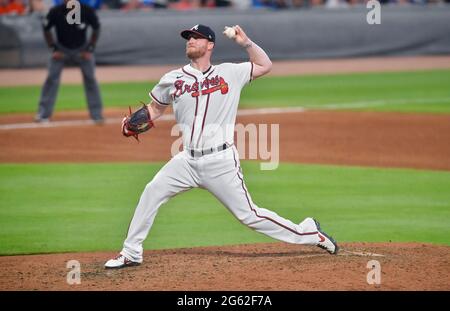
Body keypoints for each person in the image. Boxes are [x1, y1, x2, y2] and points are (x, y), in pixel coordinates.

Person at [105, 24, 338, 269]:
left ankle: (309, 233)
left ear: (210, 45)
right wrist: (133, 123)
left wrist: (245, 42)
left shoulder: (230, 73)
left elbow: (265, 65)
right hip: (186, 160)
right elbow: (155, 108)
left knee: (249, 215)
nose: (190, 41)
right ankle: (131, 252)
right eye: (188, 38)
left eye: (196, 37)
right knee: (152, 191)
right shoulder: (172, 78)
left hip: (221, 162)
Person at [35, 0, 104, 123]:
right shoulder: (55, 11)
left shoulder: (86, 10)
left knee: (90, 78)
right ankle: (43, 113)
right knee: (51, 78)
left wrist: (90, 49)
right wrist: (53, 48)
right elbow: (46, 29)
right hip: (61, 49)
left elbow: (96, 28)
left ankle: (97, 114)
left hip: (82, 49)